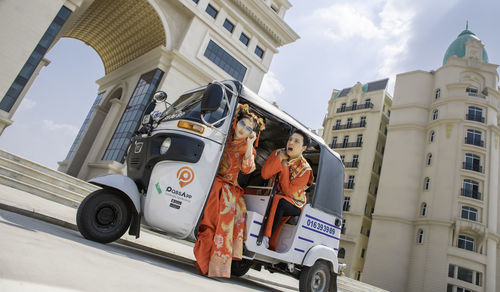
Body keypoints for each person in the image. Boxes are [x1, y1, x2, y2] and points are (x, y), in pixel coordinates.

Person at [194, 104, 265, 278]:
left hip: (226, 191)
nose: (244, 129)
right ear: (236, 121)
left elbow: (248, 169)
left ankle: (212, 266)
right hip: (211, 181)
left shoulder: (248, 148)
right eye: (243, 123)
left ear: (252, 134)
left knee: (212, 228)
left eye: (249, 129)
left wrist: (249, 145)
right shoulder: (223, 136)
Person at [261, 129, 313, 250]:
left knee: (279, 201)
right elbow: (265, 174)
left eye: (296, 141)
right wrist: (279, 159)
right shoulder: (277, 153)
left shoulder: (305, 169)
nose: (291, 143)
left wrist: (284, 166)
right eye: (290, 139)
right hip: (274, 192)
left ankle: (265, 237)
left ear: (303, 148)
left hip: (294, 202)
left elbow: (288, 191)